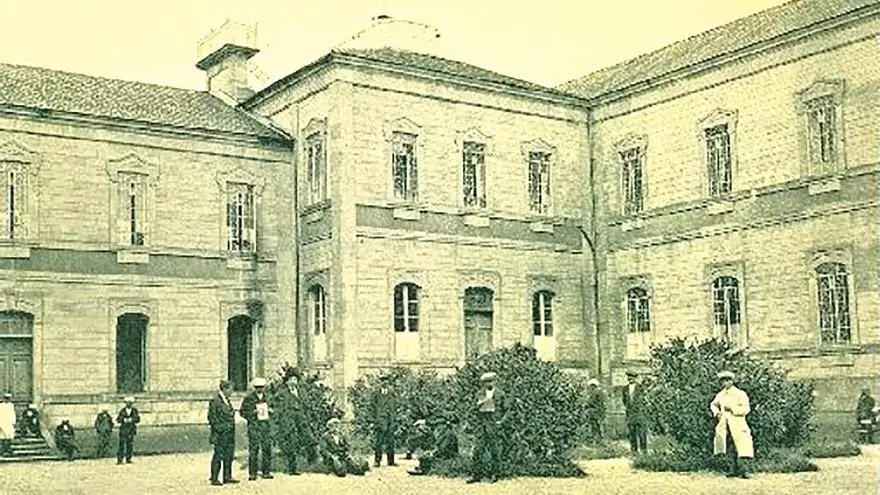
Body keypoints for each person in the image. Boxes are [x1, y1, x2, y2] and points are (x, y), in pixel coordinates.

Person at [711, 370, 754, 479]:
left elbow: (746, 409)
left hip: (738, 423)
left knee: (742, 447)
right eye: (723, 381)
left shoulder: (740, 394)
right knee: (729, 446)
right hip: (725, 424)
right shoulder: (721, 395)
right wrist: (717, 413)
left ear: (732, 381)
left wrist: (733, 409)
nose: (725, 383)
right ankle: (732, 469)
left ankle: (744, 470)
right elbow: (713, 404)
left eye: (727, 380)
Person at [467, 372, 505, 484]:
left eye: (491, 381)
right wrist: (477, 407)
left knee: (495, 450)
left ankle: (494, 474)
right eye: (486, 382)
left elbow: (507, 409)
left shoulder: (500, 394)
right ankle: (476, 475)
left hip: (493, 423)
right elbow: (473, 409)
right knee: (478, 450)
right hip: (482, 423)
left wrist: (501, 421)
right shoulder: (479, 394)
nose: (489, 384)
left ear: (495, 382)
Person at [272, 366, 305, 475]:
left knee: (296, 444)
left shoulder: (300, 392)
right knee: (289, 444)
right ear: (287, 381)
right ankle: (290, 468)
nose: (293, 381)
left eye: (295, 379)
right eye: (291, 379)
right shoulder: (282, 393)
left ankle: (294, 467)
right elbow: (278, 406)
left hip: (299, 422)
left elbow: (303, 405)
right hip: (287, 422)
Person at [240, 377, 274, 481]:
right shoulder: (248, 398)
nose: (260, 389)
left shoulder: (268, 397)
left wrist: (271, 411)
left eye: (262, 387)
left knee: (266, 449)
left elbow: (275, 408)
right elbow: (242, 412)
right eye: (257, 387)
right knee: (253, 450)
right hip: (254, 427)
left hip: (265, 427)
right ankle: (252, 473)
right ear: (254, 388)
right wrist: (252, 413)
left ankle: (266, 471)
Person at [208, 380, 238, 486]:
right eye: (230, 389)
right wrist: (220, 429)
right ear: (224, 389)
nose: (232, 392)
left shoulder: (227, 400)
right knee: (218, 455)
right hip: (221, 434)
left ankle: (227, 476)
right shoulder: (215, 401)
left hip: (229, 433)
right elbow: (212, 417)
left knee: (229, 455)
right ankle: (214, 478)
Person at [371, 375, 398, 467]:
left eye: (386, 381)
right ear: (380, 382)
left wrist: (393, 419)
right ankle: (377, 460)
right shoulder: (376, 394)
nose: (385, 383)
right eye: (383, 381)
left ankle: (391, 461)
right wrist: (376, 419)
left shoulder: (392, 393)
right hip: (380, 421)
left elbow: (394, 406)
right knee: (379, 441)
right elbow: (372, 407)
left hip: (390, 420)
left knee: (391, 441)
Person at [621, 371, 648, 454]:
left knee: (641, 432)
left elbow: (645, 399)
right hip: (630, 413)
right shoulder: (625, 389)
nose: (630, 378)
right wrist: (628, 409)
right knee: (632, 432)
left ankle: (644, 450)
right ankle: (634, 450)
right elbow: (624, 400)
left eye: (632, 377)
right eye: (629, 377)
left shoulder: (640, 387)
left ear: (635, 378)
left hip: (639, 413)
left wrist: (641, 408)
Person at [116, 396, 140, 464]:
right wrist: (124, 420)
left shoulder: (134, 411)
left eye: (130, 402)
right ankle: (120, 459)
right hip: (123, 430)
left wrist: (132, 420)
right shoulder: (122, 411)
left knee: (130, 445)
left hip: (131, 430)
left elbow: (137, 419)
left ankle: (128, 458)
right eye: (127, 402)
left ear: (131, 403)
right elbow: (118, 419)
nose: (128, 404)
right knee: (121, 445)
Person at [585, 379, 606, 443]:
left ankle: (599, 439)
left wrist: (601, 411)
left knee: (598, 426)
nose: (591, 387)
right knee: (592, 425)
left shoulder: (598, 393)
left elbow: (601, 403)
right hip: (591, 412)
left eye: (593, 386)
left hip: (597, 411)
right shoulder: (590, 393)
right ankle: (593, 438)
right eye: (590, 386)